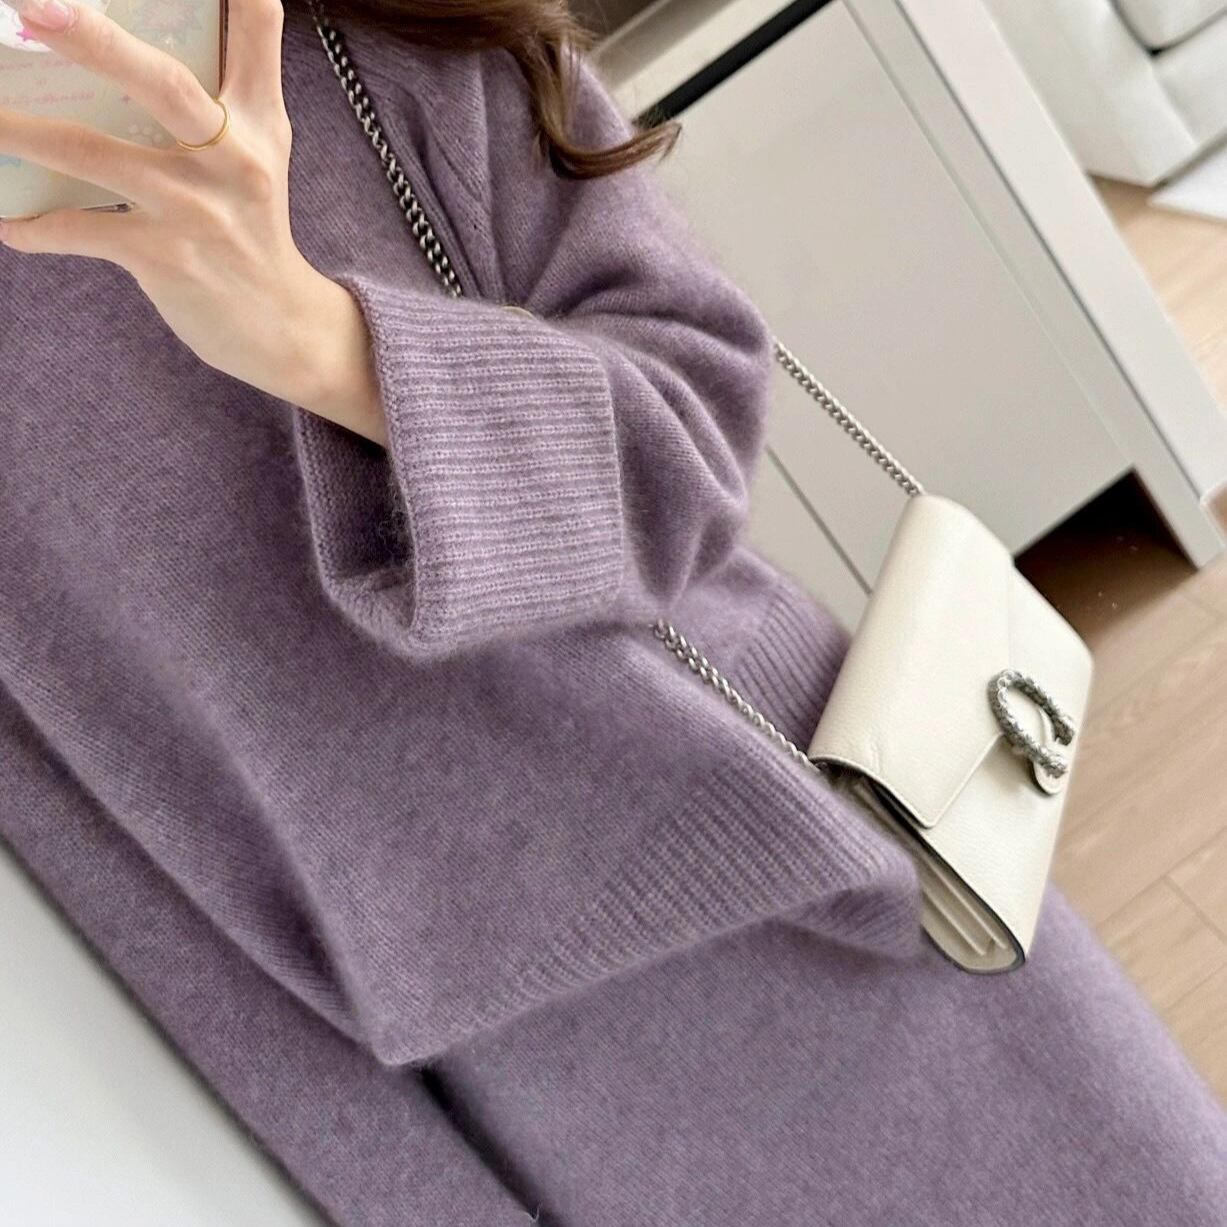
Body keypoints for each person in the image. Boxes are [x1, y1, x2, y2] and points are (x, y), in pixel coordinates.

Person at [1, 0, 1223, 1222]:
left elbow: (694, 435)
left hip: (846, 878)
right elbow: (149, 888)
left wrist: (323, 341)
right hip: (556, 1094)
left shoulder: (362, 37)